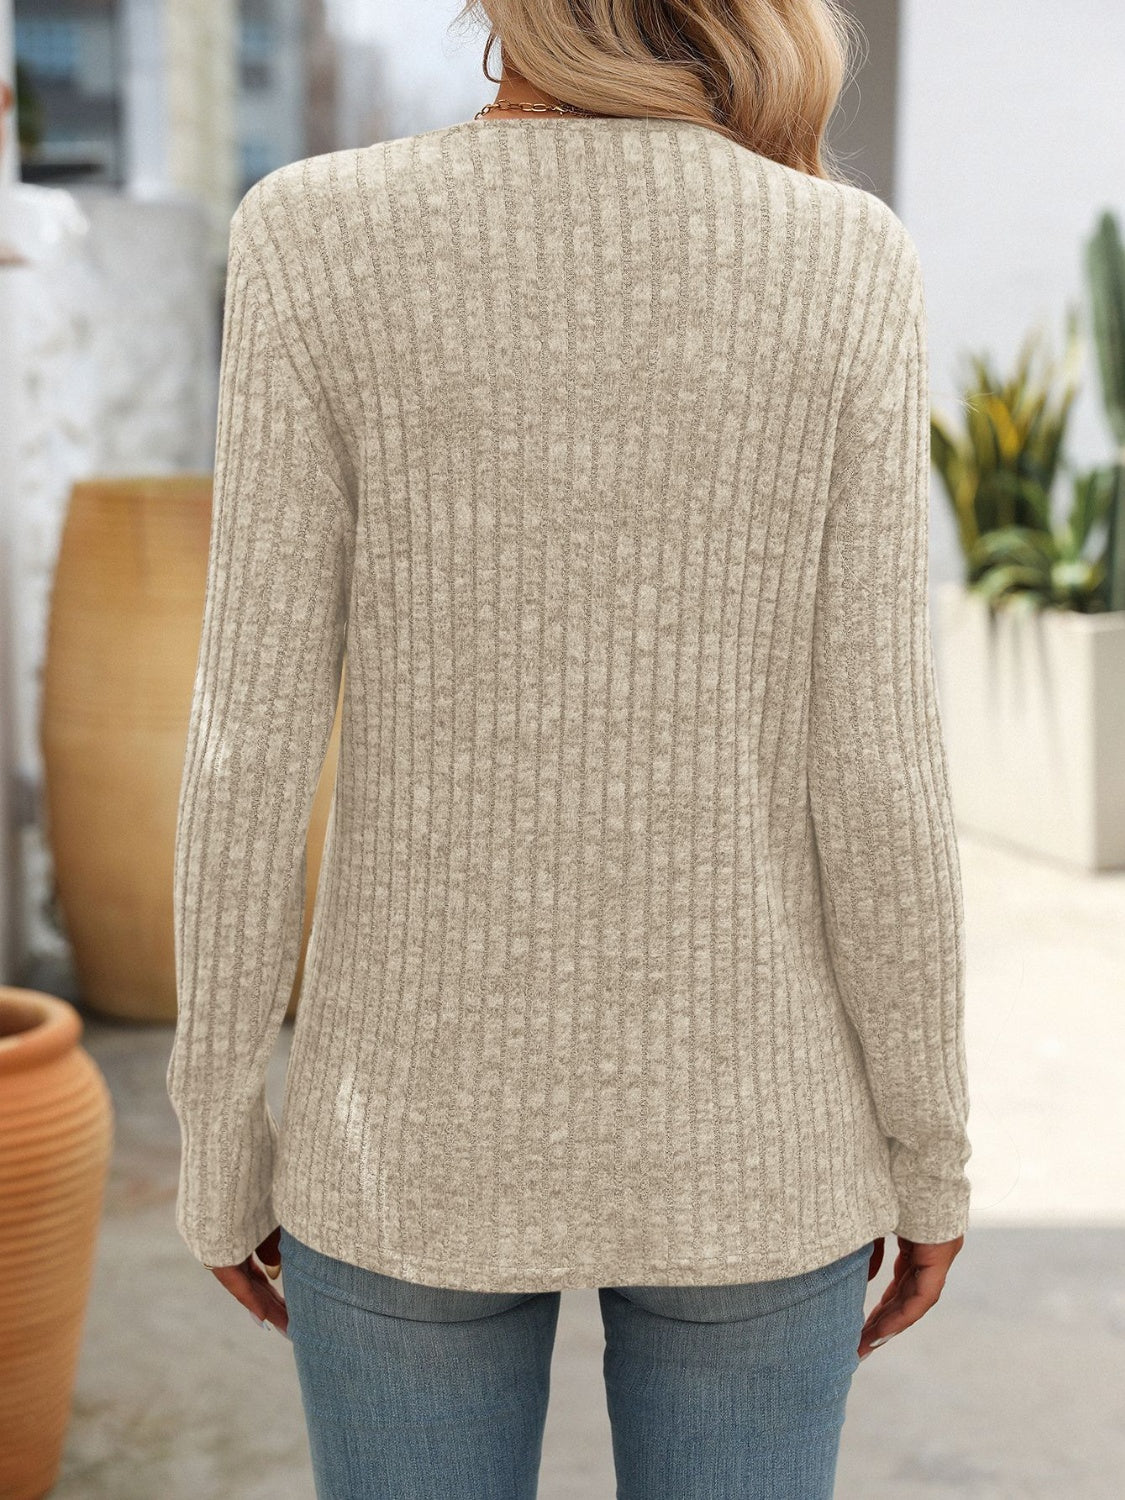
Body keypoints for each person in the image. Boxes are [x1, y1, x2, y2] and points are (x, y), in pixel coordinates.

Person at [166, 1, 973, 1494]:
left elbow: (246, 746)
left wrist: (218, 1140)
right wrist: (930, 1151)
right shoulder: (845, 256)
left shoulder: (315, 235)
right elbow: (879, 771)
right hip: (754, 1141)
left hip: (406, 1139)